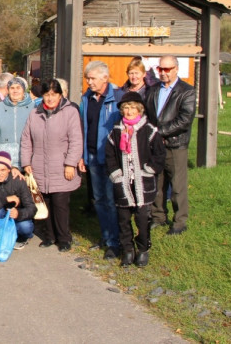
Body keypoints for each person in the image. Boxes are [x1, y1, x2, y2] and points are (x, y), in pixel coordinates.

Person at [21, 79, 83, 252]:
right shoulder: (35, 113)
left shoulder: (70, 112)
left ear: (60, 95)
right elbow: (26, 139)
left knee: (60, 204)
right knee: (44, 203)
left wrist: (70, 163)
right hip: (39, 165)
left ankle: (64, 238)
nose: (49, 99)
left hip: (61, 166)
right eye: (46, 95)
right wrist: (26, 161)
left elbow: (76, 140)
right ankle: (50, 236)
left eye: (53, 95)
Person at [106, 92, 166, 267]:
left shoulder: (149, 130)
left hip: (142, 182)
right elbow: (110, 156)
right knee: (123, 219)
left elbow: (159, 154)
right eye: (125, 107)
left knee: (142, 218)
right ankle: (128, 250)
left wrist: (148, 170)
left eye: (132, 107)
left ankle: (143, 249)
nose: (129, 111)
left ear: (139, 109)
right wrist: (116, 174)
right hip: (123, 183)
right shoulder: (116, 132)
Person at [144, 55, 196, 236]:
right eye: (161, 69)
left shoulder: (187, 91)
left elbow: (185, 119)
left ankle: (180, 221)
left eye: (167, 69)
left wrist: (160, 132)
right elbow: (147, 115)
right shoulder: (152, 90)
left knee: (177, 185)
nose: (163, 73)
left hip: (175, 145)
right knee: (157, 183)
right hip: (156, 146)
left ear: (176, 69)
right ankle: (158, 216)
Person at [78, 61, 123, 259]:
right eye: (87, 78)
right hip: (92, 156)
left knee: (112, 201)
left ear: (105, 77)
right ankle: (105, 236)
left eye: (93, 78)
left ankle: (115, 241)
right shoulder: (86, 99)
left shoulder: (117, 97)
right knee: (98, 200)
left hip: (111, 157)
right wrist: (82, 156)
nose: (89, 82)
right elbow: (81, 128)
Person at [0, 151, 36, 251]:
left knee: (26, 227)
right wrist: (5, 199)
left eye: (3, 170)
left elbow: (32, 208)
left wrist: (19, 213)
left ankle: (20, 238)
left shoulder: (18, 181)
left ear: (9, 169)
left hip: (15, 218)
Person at [0, 77, 34, 172]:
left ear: (23, 90)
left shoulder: (33, 107)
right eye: (12, 88)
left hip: (28, 160)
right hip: (5, 160)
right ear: (7, 90)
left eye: (18, 88)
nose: (15, 91)